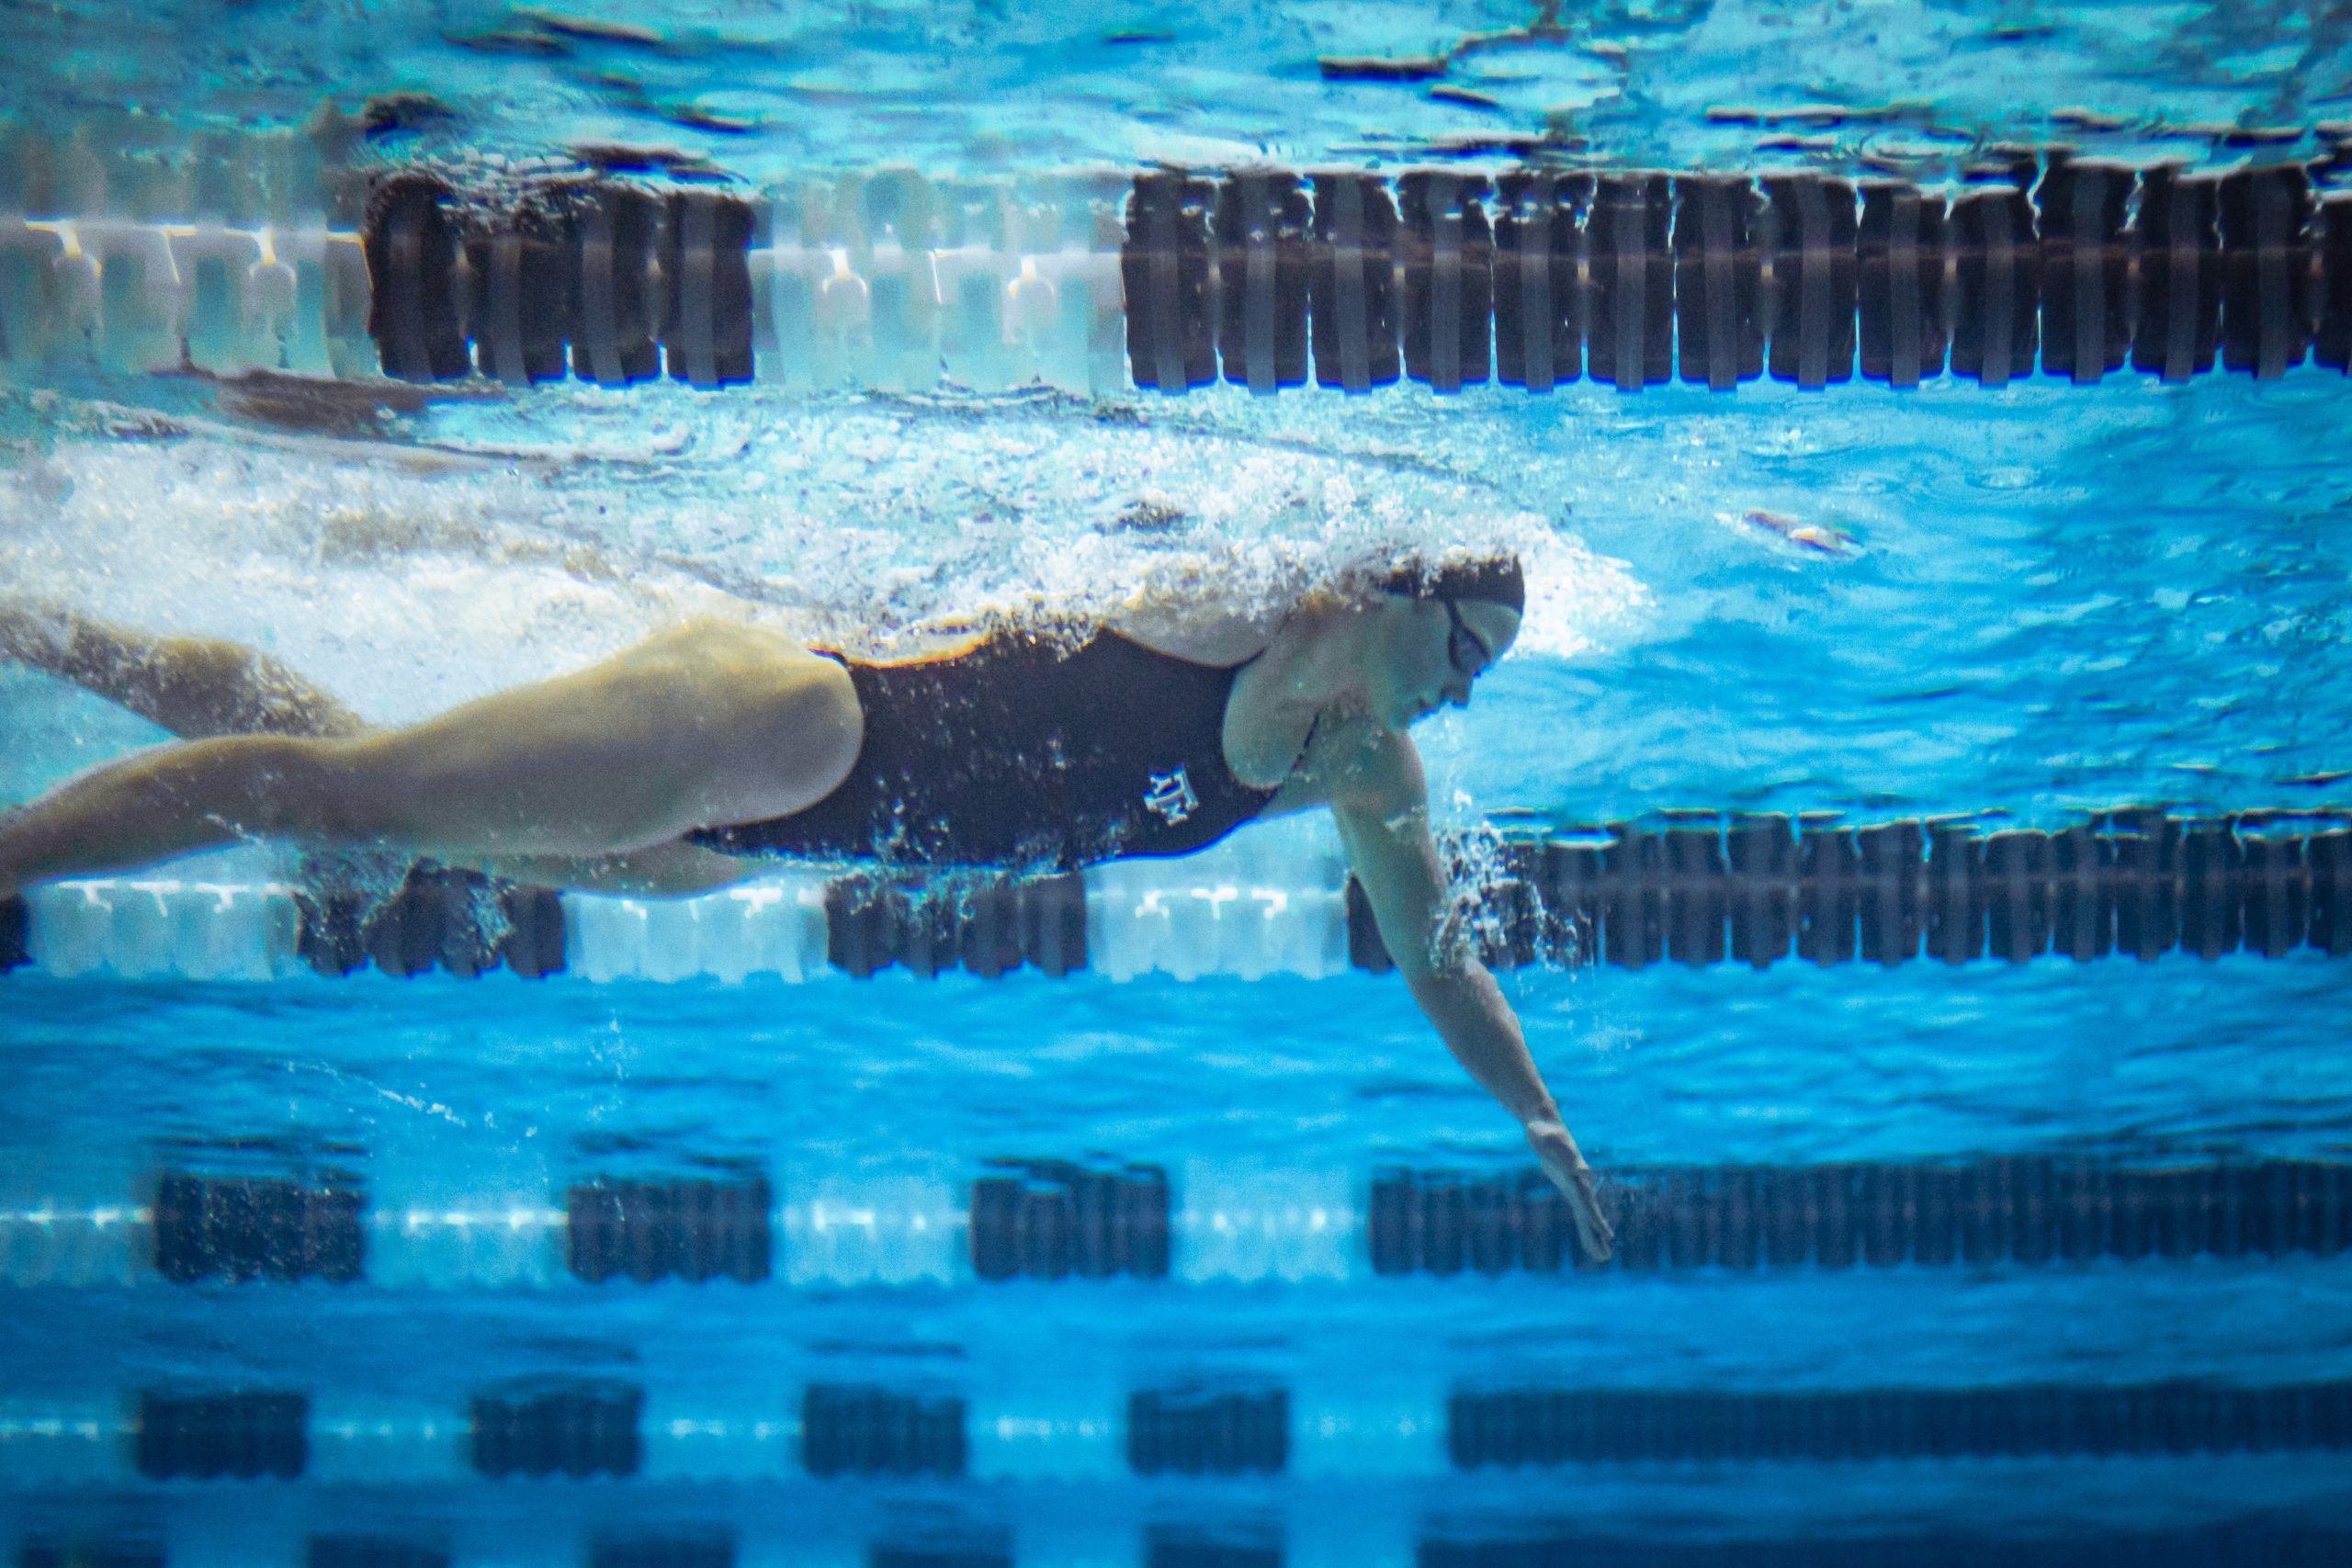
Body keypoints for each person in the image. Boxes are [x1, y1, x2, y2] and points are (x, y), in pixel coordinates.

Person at [0, 553, 1614, 1260]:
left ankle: (43, 623)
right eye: (1463, 651)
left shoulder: (1363, 775)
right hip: (786, 722)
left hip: (756, 842)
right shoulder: (1256, 606)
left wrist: (1538, 1118)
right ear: (1397, 592)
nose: (1464, 695)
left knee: (355, 786)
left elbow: (1438, 951)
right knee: (345, 799)